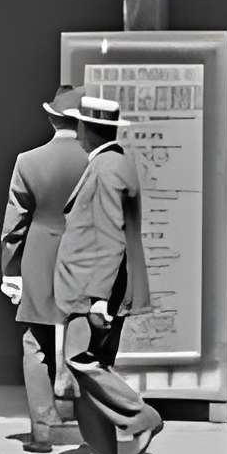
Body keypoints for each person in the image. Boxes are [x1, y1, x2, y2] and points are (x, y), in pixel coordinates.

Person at [0, 87, 88, 452]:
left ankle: (42, 430)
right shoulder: (96, 160)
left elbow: (14, 224)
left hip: (40, 255)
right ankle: (93, 430)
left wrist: (10, 271)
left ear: (51, 119)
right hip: (85, 254)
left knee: (35, 342)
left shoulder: (27, 161)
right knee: (87, 341)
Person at [52, 87, 151, 377]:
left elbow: (110, 236)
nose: (77, 133)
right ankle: (118, 410)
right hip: (104, 290)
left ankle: (134, 407)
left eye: (80, 126)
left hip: (94, 294)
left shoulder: (106, 167)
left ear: (87, 129)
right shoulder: (117, 161)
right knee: (98, 368)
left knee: (81, 363)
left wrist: (98, 299)